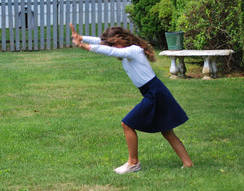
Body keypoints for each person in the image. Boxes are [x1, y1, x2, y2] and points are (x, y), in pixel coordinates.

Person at [70, 24, 194, 174]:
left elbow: (110, 50)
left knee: (127, 123)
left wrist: (85, 46)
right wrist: (82, 37)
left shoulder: (133, 50)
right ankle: (188, 164)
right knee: (167, 132)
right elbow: (104, 43)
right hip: (155, 92)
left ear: (123, 39)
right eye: (111, 44)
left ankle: (133, 163)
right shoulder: (126, 49)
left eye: (116, 43)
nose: (114, 47)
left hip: (154, 93)